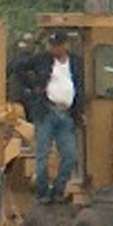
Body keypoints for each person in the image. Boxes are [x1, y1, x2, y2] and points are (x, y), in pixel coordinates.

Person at [13, 29, 83, 205]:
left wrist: (79, 112)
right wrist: (33, 87)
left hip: (66, 114)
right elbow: (17, 68)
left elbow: (81, 87)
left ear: (65, 45)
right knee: (42, 156)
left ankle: (58, 190)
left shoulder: (76, 62)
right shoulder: (42, 59)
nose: (54, 49)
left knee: (70, 156)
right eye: (52, 45)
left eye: (57, 45)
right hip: (46, 112)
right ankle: (42, 193)